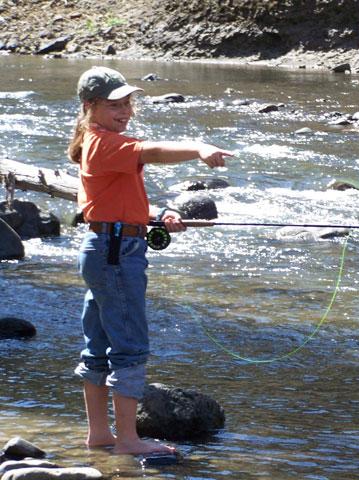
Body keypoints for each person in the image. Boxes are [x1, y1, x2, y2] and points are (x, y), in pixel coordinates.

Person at [67, 66, 232, 455]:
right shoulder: (102, 144)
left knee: (99, 344)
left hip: (105, 248)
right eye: (114, 105)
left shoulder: (98, 142)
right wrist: (198, 147)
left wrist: (155, 217)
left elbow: (111, 204)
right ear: (90, 106)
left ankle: (101, 436)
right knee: (129, 346)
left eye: (127, 103)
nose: (124, 111)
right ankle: (127, 440)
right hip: (115, 255)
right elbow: (152, 152)